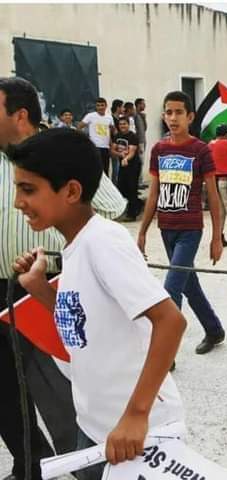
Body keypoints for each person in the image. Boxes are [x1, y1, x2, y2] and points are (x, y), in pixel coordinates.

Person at [10, 128, 186, 480]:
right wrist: (40, 289)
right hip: (95, 426)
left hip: (139, 435)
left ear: (72, 191)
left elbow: (170, 321)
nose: (18, 202)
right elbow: (85, 323)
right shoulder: (77, 245)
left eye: (28, 189)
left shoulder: (103, 242)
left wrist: (137, 415)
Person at [0, 77, 126, 480]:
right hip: (1, 290)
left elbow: (109, 209)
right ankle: (29, 463)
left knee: (60, 394)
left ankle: (90, 470)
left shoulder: (62, 154)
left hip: (50, 286)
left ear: (19, 115)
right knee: (5, 391)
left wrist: (58, 245)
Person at [137, 91, 226, 356]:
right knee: (189, 285)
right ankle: (214, 330)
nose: (173, 118)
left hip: (190, 229)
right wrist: (142, 232)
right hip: (167, 228)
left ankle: (165, 352)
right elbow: (154, 192)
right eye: (168, 112)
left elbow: (213, 194)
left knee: (171, 287)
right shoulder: (159, 150)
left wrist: (217, 237)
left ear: (190, 116)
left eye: (178, 112)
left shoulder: (200, 150)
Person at [111, 116, 142, 221]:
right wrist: (120, 155)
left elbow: (132, 152)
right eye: (120, 124)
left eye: (124, 124)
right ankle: (138, 204)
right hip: (123, 166)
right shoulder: (117, 136)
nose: (122, 126)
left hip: (133, 166)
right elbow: (112, 150)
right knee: (121, 188)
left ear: (128, 125)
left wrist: (126, 158)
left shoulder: (133, 137)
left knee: (132, 188)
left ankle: (132, 215)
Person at [77, 97, 114, 177]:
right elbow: (79, 126)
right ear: (96, 107)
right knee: (96, 171)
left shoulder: (109, 118)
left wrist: (111, 146)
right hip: (95, 147)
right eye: (98, 105)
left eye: (102, 105)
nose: (100, 107)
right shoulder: (90, 116)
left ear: (106, 106)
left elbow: (110, 132)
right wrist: (86, 139)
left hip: (106, 148)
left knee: (105, 171)